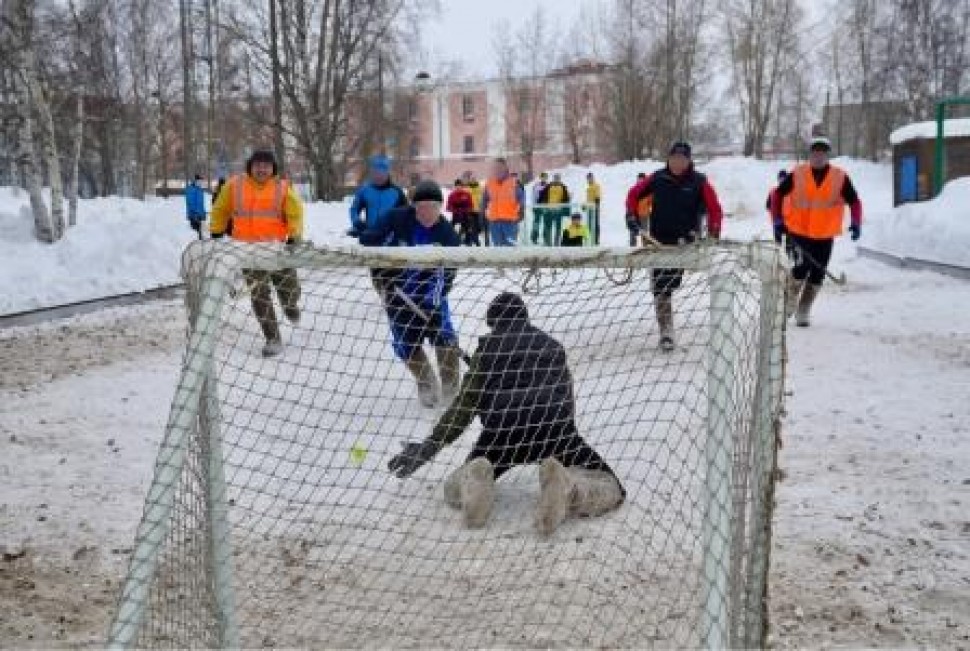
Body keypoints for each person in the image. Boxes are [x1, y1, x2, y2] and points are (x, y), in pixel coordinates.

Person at [387, 292, 626, 535]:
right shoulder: (553, 347)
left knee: (453, 486)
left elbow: (463, 408)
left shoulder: (487, 350)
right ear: (525, 318)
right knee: (610, 485)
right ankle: (571, 489)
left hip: (502, 435)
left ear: (494, 323)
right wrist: (564, 437)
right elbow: (566, 400)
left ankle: (475, 484)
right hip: (555, 431)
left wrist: (430, 446)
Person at [359, 180, 463, 408]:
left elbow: (445, 277)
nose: (426, 211)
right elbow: (370, 240)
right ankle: (427, 384)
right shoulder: (397, 219)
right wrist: (380, 266)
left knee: (444, 338)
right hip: (397, 294)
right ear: (414, 207)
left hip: (431, 296)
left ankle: (451, 390)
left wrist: (431, 306)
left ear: (440, 207)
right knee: (406, 345)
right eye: (421, 206)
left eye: (432, 206)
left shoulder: (448, 237)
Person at [625, 141, 723, 352]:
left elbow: (715, 208)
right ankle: (666, 331)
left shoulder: (699, 182)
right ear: (668, 159)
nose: (678, 162)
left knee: (672, 282)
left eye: (682, 159)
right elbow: (633, 195)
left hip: (685, 242)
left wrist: (714, 232)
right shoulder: (657, 178)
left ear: (688, 161)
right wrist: (630, 215)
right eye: (674, 158)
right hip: (658, 241)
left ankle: (667, 313)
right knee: (661, 287)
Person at [210, 149, 304, 358]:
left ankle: (291, 308)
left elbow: (295, 214)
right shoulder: (234, 185)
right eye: (257, 165)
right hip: (248, 252)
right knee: (259, 295)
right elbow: (220, 209)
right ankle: (272, 338)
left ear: (273, 168)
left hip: (277, 250)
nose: (262, 169)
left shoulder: (282, 187)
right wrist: (216, 232)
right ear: (250, 166)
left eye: (266, 165)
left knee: (290, 289)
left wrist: (295, 236)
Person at [771, 137, 862, 327]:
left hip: (825, 235)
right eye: (815, 152)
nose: (818, 156)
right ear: (810, 154)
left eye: (822, 153)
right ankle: (789, 302)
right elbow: (777, 195)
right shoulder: (798, 173)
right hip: (799, 232)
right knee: (800, 269)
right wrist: (777, 220)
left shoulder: (840, 177)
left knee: (818, 273)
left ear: (828, 155)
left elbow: (854, 201)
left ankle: (804, 310)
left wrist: (856, 221)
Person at [348, 154, 409, 237]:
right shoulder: (364, 191)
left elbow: (406, 214)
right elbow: (354, 209)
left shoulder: (397, 192)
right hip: (369, 233)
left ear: (387, 173)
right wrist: (357, 222)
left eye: (382, 174)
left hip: (390, 235)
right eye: (376, 173)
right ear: (372, 173)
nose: (378, 177)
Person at [482, 158, 526, 247]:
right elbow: (484, 202)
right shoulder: (489, 184)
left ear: (505, 168)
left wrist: (521, 212)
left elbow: (522, 199)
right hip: (494, 223)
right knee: (497, 249)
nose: (497, 170)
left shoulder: (514, 183)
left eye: (499, 167)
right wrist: (482, 215)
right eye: (495, 168)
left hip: (510, 223)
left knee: (510, 248)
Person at [536, 173, 571, 246]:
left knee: (558, 227)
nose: (556, 179)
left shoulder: (563, 187)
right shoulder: (549, 186)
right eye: (555, 178)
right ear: (553, 178)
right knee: (548, 226)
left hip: (558, 210)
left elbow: (567, 199)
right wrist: (540, 205)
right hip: (549, 209)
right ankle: (548, 242)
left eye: (558, 178)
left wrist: (566, 211)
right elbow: (542, 195)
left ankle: (556, 243)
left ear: (560, 179)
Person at [446, 179, 479, 246]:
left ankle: (469, 242)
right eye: (457, 186)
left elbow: (471, 205)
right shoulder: (452, 195)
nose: (458, 187)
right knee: (450, 228)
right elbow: (448, 206)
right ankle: (452, 242)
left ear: (462, 186)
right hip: (456, 215)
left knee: (469, 228)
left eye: (459, 186)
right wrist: (454, 210)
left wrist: (466, 210)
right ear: (455, 187)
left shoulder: (467, 194)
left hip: (465, 215)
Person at [463, 170, 486, 246]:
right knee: (473, 229)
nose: (474, 179)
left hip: (479, 212)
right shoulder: (466, 189)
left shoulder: (480, 188)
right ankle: (476, 244)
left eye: (475, 177)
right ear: (469, 179)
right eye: (472, 178)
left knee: (478, 228)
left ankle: (471, 241)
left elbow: (483, 199)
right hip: (470, 212)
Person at [628, 172, 651, 246]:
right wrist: (630, 211)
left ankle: (645, 246)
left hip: (644, 214)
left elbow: (652, 202)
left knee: (644, 231)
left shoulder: (648, 191)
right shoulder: (633, 189)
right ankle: (632, 246)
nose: (640, 181)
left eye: (642, 180)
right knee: (633, 231)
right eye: (639, 179)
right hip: (634, 213)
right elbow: (629, 201)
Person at [530, 172, 549, 245]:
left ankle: (546, 238)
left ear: (547, 178)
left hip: (545, 207)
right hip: (537, 207)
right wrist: (534, 206)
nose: (544, 178)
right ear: (540, 178)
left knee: (546, 223)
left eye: (545, 177)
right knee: (536, 223)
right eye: (542, 177)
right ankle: (534, 238)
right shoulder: (536, 186)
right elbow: (533, 196)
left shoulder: (548, 186)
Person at [585, 172, 602, 245]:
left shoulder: (596, 185)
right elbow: (589, 199)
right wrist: (586, 206)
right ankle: (590, 239)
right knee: (589, 224)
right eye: (588, 178)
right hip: (589, 208)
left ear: (593, 178)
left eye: (591, 178)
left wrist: (596, 205)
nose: (589, 179)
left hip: (594, 207)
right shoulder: (588, 187)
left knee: (595, 223)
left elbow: (597, 196)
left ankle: (596, 240)